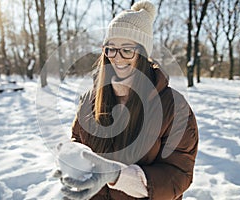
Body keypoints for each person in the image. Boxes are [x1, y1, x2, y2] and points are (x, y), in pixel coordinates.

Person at [57, 1, 198, 199]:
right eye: (111, 48)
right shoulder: (90, 99)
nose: (117, 57)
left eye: (127, 49)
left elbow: (178, 175)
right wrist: (73, 161)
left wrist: (117, 176)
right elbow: (78, 141)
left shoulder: (173, 106)